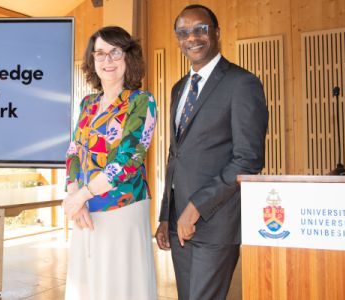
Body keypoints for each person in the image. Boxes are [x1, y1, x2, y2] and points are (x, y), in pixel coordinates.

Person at [155, 4, 268, 300]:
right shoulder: (179, 88)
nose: (191, 37)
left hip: (216, 223)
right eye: (183, 32)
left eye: (200, 29)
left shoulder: (242, 84)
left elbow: (248, 160)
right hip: (179, 223)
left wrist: (196, 207)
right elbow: (175, 155)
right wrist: (167, 214)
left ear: (216, 33)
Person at [62, 26, 158, 300]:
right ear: (92, 61)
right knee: (88, 285)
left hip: (123, 208)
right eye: (100, 54)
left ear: (128, 57)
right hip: (85, 211)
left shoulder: (142, 101)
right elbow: (73, 152)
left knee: (120, 286)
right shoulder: (88, 103)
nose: (107, 61)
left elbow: (128, 160)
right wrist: (74, 195)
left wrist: (82, 195)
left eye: (115, 52)